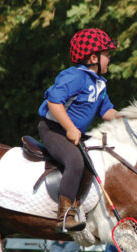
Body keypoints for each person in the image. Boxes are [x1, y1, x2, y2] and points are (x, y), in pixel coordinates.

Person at [38, 28, 120, 233]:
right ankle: (65, 216)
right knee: (74, 161)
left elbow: (107, 111)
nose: (109, 59)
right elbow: (54, 102)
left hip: (73, 132)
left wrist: (130, 116)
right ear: (94, 57)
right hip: (54, 130)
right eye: (107, 55)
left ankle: (85, 208)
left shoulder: (99, 83)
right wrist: (70, 128)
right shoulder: (74, 76)